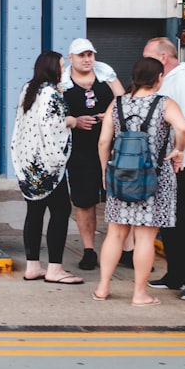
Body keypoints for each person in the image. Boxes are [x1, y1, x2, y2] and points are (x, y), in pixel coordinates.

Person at [93, 57, 185, 306]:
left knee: (115, 234)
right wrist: (179, 150)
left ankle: (102, 288)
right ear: (159, 78)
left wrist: (105, 170)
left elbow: (104, 142)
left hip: (120, 176)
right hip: (154, 179)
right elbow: (183, 129)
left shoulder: (118, 103)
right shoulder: (164, 104)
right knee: (145, 237)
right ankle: (139, 294)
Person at [143, 37, 185, 301]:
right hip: (168, 162)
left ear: (162, 57)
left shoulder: (183, 81)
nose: (143, 60)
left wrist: (175, 151)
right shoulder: (168, 80)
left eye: (147, 55)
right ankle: (175, 274)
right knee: (168, 219)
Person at [10, 50, 83, 285]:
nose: (64, 70)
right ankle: (55, 269)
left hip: (29, 161)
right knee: (61, 211)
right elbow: (52, 125)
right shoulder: (51, 92)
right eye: (61, 66)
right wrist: (71, 121)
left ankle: (33, 265)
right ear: (52, 69)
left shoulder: (28, 89)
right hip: (47, 163)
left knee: (34, 212)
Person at [62, 38, 120, 271]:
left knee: (119, 198)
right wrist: (74, 121)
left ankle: (125, 248)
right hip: (80, 151)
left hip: (112, 148)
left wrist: (110, 115)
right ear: (71, 58)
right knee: (84, 202)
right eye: (81, 56)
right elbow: (53, 114)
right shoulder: (63, 82)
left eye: (90, 55)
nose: (87, 60)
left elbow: (124, 100)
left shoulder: (106, 74)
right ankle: (89, 250)